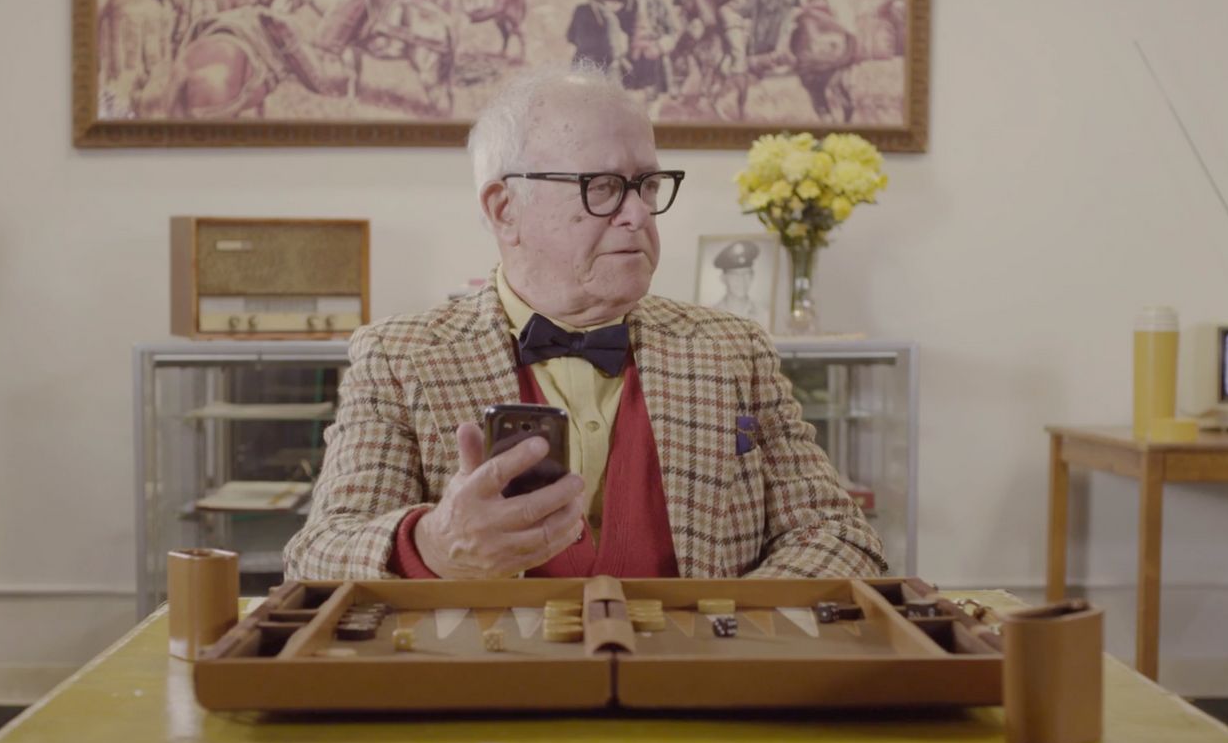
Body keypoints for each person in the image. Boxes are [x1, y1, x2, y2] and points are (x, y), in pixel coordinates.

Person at [284, 64, 884, 581]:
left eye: (647, 185)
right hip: (488, 693)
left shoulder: (732, 348)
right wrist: (433, 548)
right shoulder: (402, 355)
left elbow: (840, 536)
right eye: (601, 187)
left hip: (696, 692)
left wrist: (723, 633)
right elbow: (317, 556)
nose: (638, 214)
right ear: (504, 209)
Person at [708, 240, 768, 327]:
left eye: (746, 274)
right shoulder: (710, 315)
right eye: (734, 275)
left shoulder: (764, 315)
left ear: (752, 276)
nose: (742, 280)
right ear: (723, 278)